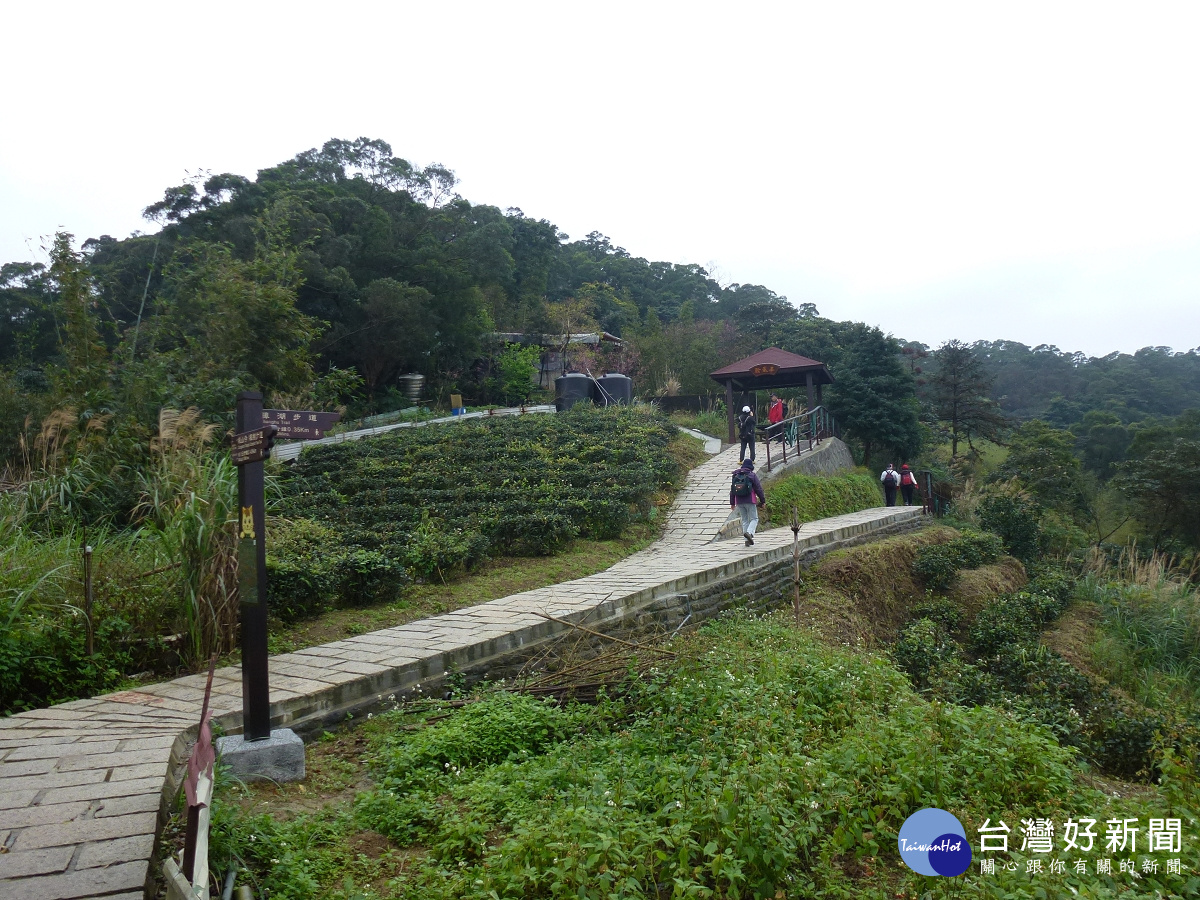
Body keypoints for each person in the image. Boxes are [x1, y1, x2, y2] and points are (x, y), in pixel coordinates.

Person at [729, 457, 766, 546]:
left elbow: (732, 490)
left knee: (745, 520)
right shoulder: (751, 475)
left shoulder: (735, 475)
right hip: (750, 500)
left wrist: (732, 503)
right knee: (754, 518)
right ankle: (749, 533)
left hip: (739, 501)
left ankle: (746, 540)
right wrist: (763, 501)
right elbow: (758, 489)